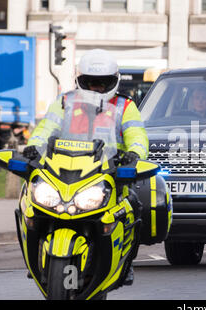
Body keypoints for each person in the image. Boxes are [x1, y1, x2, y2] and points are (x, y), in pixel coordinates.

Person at [23, 48, 149, 285]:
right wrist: (32, 148)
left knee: (134, 206)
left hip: (108, 173)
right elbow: (45, 130)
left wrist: (134, 154)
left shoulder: (125, 106)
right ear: (80, 81)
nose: (97, 88)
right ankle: (36, 259)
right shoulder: (65, 102)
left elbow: (138, 136)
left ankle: (127, 264)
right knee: (31, 202)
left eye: (103, 83)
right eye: (90, 83)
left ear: (113, 81)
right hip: (63, 172)